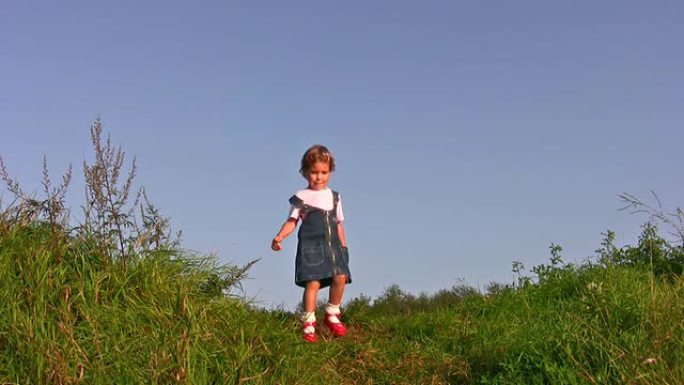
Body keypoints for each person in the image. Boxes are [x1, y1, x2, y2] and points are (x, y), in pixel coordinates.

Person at [271, 144, 352, 342]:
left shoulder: (334, 197)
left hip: (333, 246)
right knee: (313, 282)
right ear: (305, 172)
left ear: (330, 172)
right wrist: (280, 236)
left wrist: (344, 246)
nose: (319, 177)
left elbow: (339, 224)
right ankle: (308, 322)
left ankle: (332, 314)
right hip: (311, 247)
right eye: (314, 172)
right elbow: (292, 221)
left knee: (340, 277)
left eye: (324, 172)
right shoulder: (302, 197)